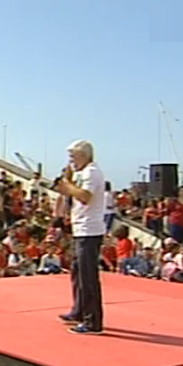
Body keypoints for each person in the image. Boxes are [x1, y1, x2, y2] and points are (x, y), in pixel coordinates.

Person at [56, 140, 107, 334]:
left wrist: (67, 184)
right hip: (81, 229)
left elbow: (85, 196)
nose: (71, 161)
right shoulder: (82, 173)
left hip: (89, 230)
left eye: (73, 157)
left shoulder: (92, 173)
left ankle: (93, 321)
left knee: (88, 277)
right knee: (77, 272)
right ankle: (79, 310)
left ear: (84, 156)